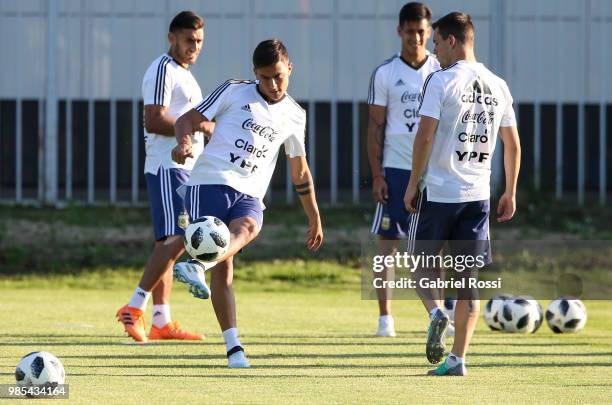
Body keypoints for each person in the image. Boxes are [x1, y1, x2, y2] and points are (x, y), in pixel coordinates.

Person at [171, 39, 324, 368]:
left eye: (279, 76)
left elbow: (300, 170)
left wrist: (314, 216)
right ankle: (234, 348)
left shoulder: (295, 116)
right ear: (255, 74)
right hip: (210, 181)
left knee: (251, 227)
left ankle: (197, 265)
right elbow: (187, 120)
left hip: (251, 193)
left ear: (290, 69)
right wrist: (184, 143)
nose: (272, 84)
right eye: (265, 77)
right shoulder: (233, 90)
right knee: (225, 266)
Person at [403, 12, 521, 376]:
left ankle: (438, 313)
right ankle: (457, 361)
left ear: (452, 40)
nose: (433, 50)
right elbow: (512, 144)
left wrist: (412, 183)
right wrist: (510, 191)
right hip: (479, 194)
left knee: (420, 264)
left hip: (439, 192)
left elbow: (424, 136)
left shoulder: (441, 81)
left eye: (436, 42)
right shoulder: (498, 84)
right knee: (467, 281)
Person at [116, 11, 214, 342]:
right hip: (166, 167)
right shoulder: (163, 69)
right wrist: (197, 125)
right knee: (178, 238)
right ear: (171, 38)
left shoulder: (186, 76)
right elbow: (154, 120)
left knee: (168, 242)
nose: (194, 47)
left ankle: (161, 321)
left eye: (199, 41)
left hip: (186, 168)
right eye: (189, 40)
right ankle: (134, 306)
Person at [367, 2, 440, 337]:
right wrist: (378, 175)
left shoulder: (440, 70)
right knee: (388, 245)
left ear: (431, 31)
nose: (416, 37)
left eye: (422, 31)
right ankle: (386, 319)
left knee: (433, 247)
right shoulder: (385, 73)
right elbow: (375, 127)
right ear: (400, 31)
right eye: (410, 30)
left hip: (433, 172)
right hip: (395, 171)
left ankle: (440, 314)